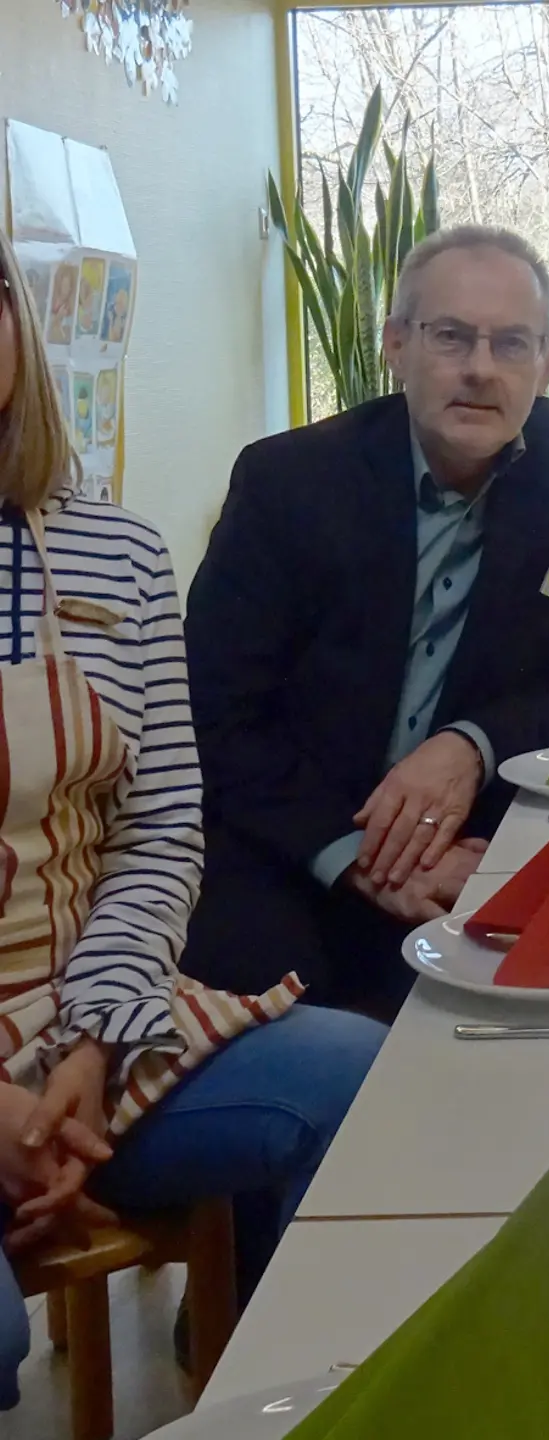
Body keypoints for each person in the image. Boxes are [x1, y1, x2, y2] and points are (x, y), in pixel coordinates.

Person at [0, 233, 386, 1411]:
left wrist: (89, 1041)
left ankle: (279, 1408)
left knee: (369, 1081)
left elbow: (162, 824)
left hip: (81, 1024)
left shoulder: (114, 552)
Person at [182, 227, 549, 1020]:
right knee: (307, 1062)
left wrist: (471, 745)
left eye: (512, 343)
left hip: (475, 848)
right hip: (289, 847)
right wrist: (360, 857)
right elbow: (214, 713)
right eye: (451, 336)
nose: (480, 369)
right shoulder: (287, 483)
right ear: (397, 345)